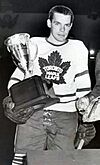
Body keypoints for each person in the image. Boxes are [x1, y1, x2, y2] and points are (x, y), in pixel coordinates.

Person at [6, 5, 93, 164]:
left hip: (66, 116)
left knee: (61, 162)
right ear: (49, 23)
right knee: (22, 160)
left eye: (66, 25)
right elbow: (17, 78)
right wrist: (11, 101)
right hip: (34, 112)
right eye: (57, 23)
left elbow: (83, 87)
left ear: (71, 26)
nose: (62, 29)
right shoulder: (33, 44)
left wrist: (84, 118)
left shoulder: (78, 48)